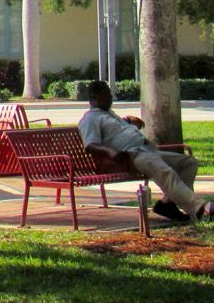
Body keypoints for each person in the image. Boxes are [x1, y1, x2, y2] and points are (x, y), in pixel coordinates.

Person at [79, 80, 211, 223]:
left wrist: (127, 121)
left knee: (188, 162)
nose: (111, 97)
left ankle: (168, 203)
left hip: (147, 150)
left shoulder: (108, 114)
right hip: (130, 156)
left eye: (110, 93)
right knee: (166, 173)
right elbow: (90, 144)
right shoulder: (90, 119)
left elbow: (114, 130)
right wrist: (110, 151)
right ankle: (201, 208)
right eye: (106, 94)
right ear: (94, 97)